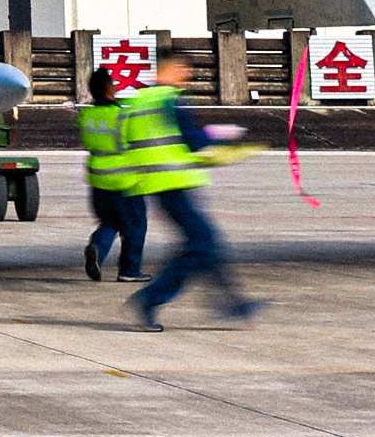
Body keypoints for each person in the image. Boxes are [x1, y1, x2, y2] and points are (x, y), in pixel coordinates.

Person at [119, 44, 260, 331]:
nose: (189, 75)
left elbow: (131, 144)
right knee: (202, 247)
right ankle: (150, 299)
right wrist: (225, 139)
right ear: (169, 67)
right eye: (185, 69)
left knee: (205, 245)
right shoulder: (170, 100)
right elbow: (194, 141)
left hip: (155, 184)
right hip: (176, 184)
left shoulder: (137, 101)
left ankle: (232, 304)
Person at [74, 63, 147, 287]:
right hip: (124, 181)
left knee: (110, 222)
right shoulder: (122, 116)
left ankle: (98, 246)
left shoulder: (85, 116)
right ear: (109, 89)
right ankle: (130, 270)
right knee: (135, 226)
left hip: (98, 180)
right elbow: (138, 144)